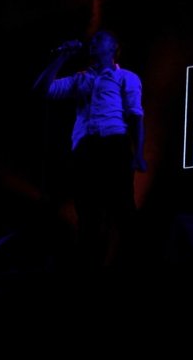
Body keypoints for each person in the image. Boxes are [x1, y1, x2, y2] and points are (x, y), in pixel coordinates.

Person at [34, 30, 147, 269]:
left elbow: (136, 116)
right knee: (87, 212)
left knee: (122, 208)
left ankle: (136, 265)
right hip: (85, 149)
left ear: (114, 46)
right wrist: (62, 57)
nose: (92, 41)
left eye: (100, 38)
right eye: (92, 39)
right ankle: (89, 270)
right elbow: (42, 89)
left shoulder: (125, 77)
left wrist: (138, 154)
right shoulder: (80, 78)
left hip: (113, 145)